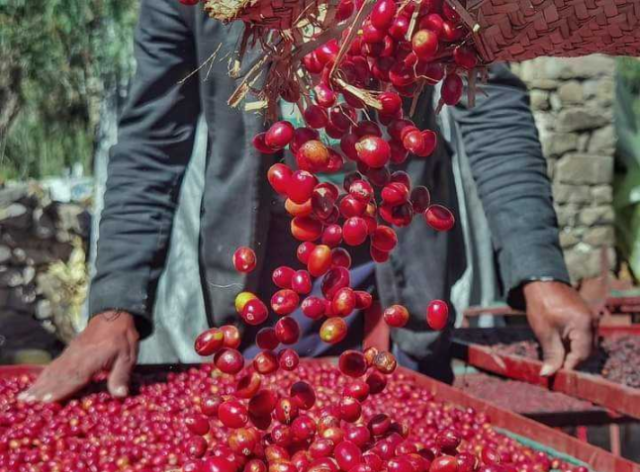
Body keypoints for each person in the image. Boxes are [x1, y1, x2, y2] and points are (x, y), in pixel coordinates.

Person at [21, 0, 594, 403]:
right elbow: (153, 139)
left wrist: (539, 270)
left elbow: (489, 105)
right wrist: (114, 306)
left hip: (394, 275)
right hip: (261, 279)